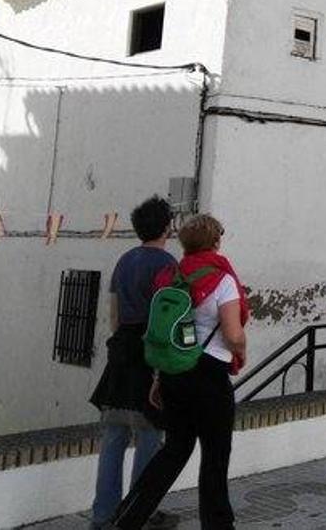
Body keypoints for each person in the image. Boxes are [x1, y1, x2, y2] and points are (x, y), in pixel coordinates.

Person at [112, 215, 248, 530]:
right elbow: (232, 333)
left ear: (185, 244)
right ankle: (218, 526)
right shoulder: (222, 279)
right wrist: (241, 350)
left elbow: (162, 330)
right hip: (210, 375)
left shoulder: (169, 276)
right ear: (215, 242)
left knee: (173, 450)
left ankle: (128, 517)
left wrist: (159, 378)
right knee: (215, 457)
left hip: (174, 372)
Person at [88, 196, 178, 529]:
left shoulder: (124, 261)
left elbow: (113, 315)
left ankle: (103, 514)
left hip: (121, 353)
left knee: (113, 436)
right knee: (150, 438)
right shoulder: (168, 264)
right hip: (149, 354)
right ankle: (138, 513)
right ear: (166, 227)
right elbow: (167, 315)